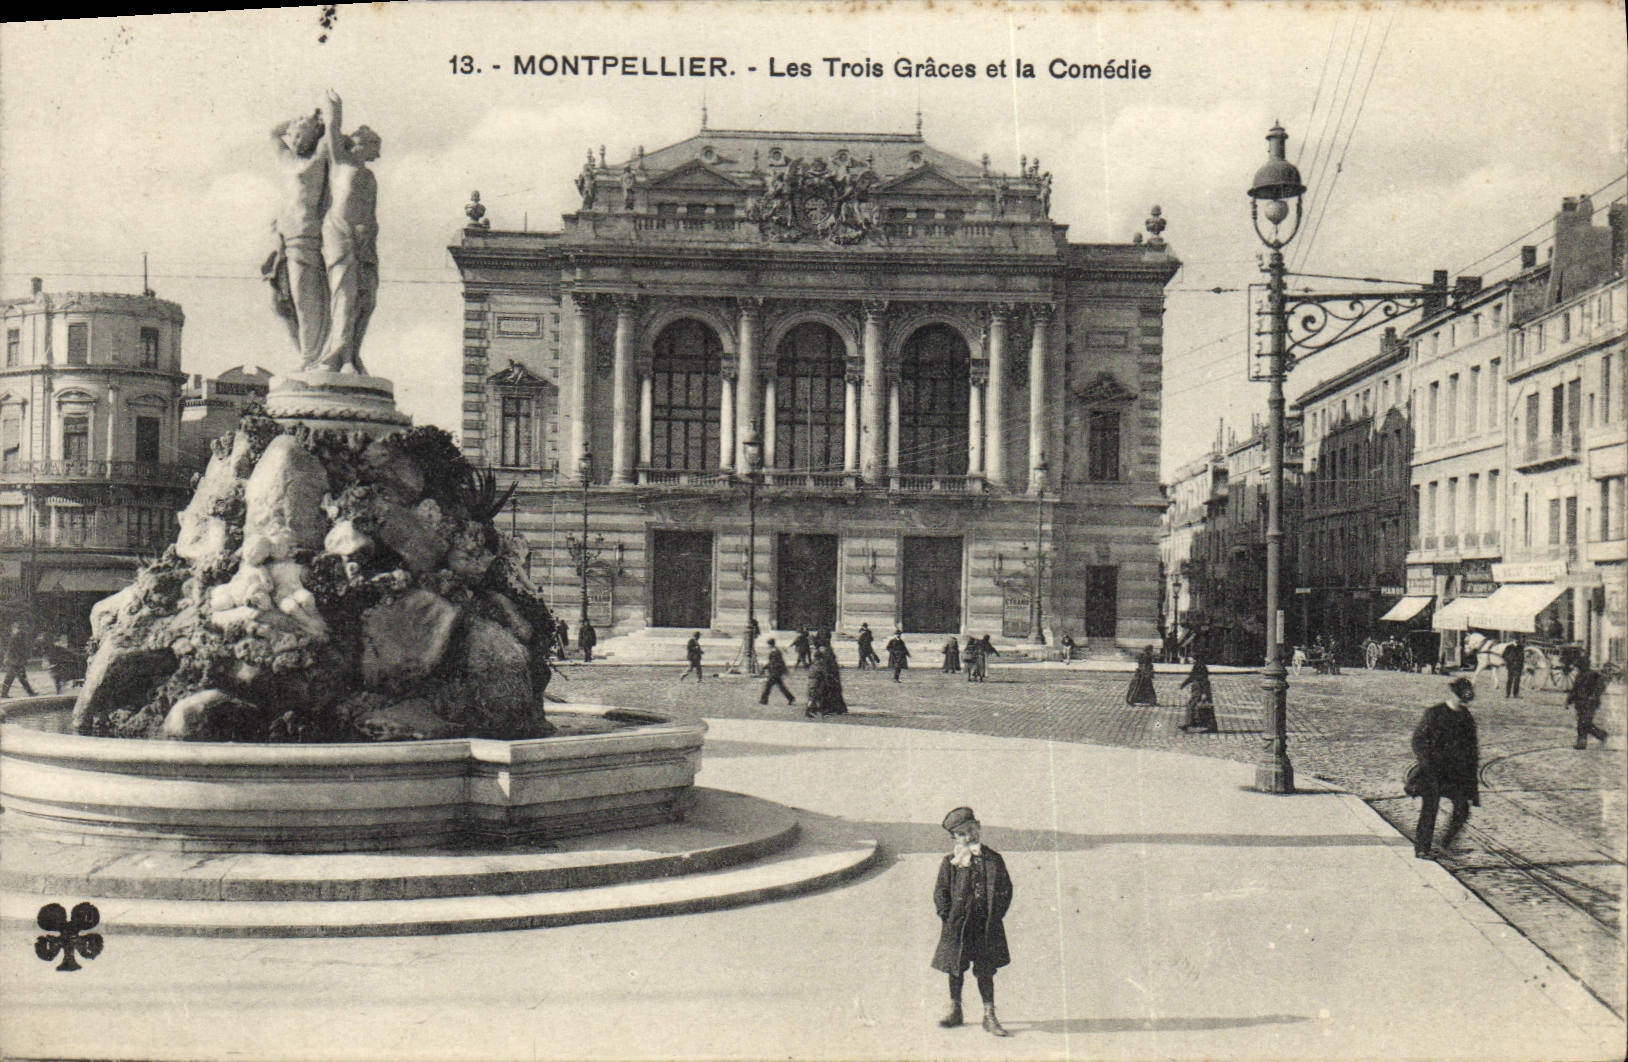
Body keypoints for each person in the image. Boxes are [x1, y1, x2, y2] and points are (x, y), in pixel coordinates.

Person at [931, 806, 1013, 1038]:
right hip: (957, 926)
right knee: (955, 968)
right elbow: (941, 891)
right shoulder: (950, 863)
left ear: (979, 827)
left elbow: (1006, 890)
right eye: (962, 834)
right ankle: (955, 1009)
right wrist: (947, 916)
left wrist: (995, 915)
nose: (969, 836)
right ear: (954, 838)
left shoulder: (994, 860)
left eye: (972, 830)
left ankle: (989, 1015)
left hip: (985, 926)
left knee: (985, 971)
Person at [316, 90, 380, 374]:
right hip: (339, 232)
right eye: (375, 146)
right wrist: (334, 110)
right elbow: (331, 130)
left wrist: (369, 234)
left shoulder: (369, 176)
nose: (378, 152)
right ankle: (336, 356)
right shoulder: (340, 163)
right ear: (361, 145)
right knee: (344, 293)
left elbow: (371, 211)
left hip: (364, 241)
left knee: (366, 299)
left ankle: (352, 355)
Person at [264, 108, 330, 362]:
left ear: (314, 137)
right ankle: (305, 352)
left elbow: (331, 132)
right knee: (280, 304)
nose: (296, 140)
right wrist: (296, 121)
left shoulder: (318, 159)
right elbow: (273, 132)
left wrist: (316, 123)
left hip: (305, 237)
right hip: (282, 238)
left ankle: (310, 355)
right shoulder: (287, 160)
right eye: (294, 136)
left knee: (304, 300)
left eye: (303, 135)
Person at [1411, 676, 1480, 860]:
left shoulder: (1466, 717)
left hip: (1454, 774)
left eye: (1464, 699)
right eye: (1460, 697)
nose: (1461, 701)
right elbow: (1418, 740)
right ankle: (1422, 848)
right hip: (1433, 770)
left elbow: (1472, 750)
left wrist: (1472, 786)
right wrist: (1426, 763)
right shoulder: (1435, 713)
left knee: (1462, 809)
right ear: (1453, 695)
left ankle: (1445, 844)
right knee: (1429, 809)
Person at [804, 631, 847, 717]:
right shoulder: (825, 650)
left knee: (819, 692)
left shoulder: (821, 650)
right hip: (824, 675)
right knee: (823, 692)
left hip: (821, 676)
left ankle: (816, 708)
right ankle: (818, 709)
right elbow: (827, 664)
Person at [1566, 665, 1609, 750]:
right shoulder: (1579, 676)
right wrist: (1569, 701)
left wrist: (1593, 697)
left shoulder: (1594, 675)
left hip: (1590, 703)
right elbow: (1574, 690)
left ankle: (1582, 742)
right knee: (1585, 722)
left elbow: (1600, 687)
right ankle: (1601, 735)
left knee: (1583, 722)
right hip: (1579, 703)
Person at [1178, 656, 1217, 733]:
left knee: (1204, 707)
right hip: (1197, 689)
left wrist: (1204, 693)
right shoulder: (1197, 665)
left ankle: (1208, 726)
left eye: (1190, 658)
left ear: (1195, 658)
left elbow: (1203, 680)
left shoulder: (1200, 666)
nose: (1189, 659)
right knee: (1193, 706)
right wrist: (1183, 684)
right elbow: (1192, 677)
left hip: (1200, 689)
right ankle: (1190, 724)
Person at [1, 621, 36, 698]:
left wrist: (7, 657)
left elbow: (13, 648)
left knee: (20, 677)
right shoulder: (17, 636)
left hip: (15, 660)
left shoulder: (16, 635)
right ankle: (30, 692)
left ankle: (30, 692)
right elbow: (21, 648)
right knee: (14, 677)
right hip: (16, 660)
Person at [758, 638, 795, 706]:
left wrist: (766, 667)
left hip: (775, 672)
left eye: (768, 645)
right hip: (776, 672)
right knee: (781, 687)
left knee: (768, 686)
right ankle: (791, 698)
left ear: (770, 645)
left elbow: (775, 662)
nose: (768, 646)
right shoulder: (776, 651)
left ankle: (764, 700)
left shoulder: (775, 652)